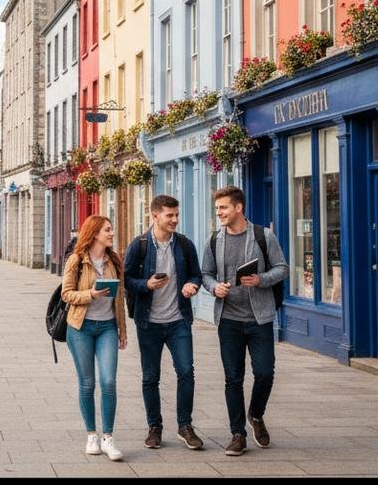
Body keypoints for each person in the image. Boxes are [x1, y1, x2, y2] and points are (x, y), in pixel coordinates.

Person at [202, 185, 289, 456]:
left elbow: (282, 268)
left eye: (223, 208)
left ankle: (256, 414)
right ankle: (237, 434)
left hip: (259, 318)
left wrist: (260, 280)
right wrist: (214, 287)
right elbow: (205, 273)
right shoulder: (215, 240)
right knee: (233, 378)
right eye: (217, 208)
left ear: (238, 208)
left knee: (264, 373)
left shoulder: (264, 236)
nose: (219, 213)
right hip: (228, 319)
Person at [123, 194, 205, 451]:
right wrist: (145, 284)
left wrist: (193, 284)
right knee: (150, 377)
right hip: (149, 322)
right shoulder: (140, 245)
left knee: (186, 372)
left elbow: (195, 273)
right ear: (155, 216)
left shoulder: (184, 244)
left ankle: (185, 426)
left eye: (176, 215)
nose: (175, 220)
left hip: (178, 320)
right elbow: (126, 279)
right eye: (169, 215)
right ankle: (154, 427)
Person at [61, 215, 128, 460]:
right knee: (87, 383)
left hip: (107, 328)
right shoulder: (76, 260)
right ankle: (92, 435)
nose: (111, 234)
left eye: (111, 229)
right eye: (107, 230)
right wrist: (91, 293)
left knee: (108, 381)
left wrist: (122, 329)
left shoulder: (114, 260)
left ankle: (108, 438)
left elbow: (119, 299)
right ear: (95, 233)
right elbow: (66, 294)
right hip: (81, 329)